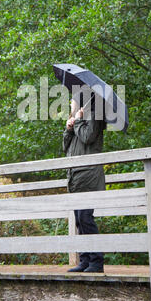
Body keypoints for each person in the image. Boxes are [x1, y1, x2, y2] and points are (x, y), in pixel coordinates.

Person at [63, 95, 106, 273]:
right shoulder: (78, 119)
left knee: (86, 218)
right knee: (79, 220)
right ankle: (85, 260)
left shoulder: (96, 115)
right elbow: (66, 148)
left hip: (88, 175)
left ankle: (96, 262)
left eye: (72, 101)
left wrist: (79, 122)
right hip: (75, 178)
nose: (70, 104)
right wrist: (69, 129)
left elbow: (88, 137)